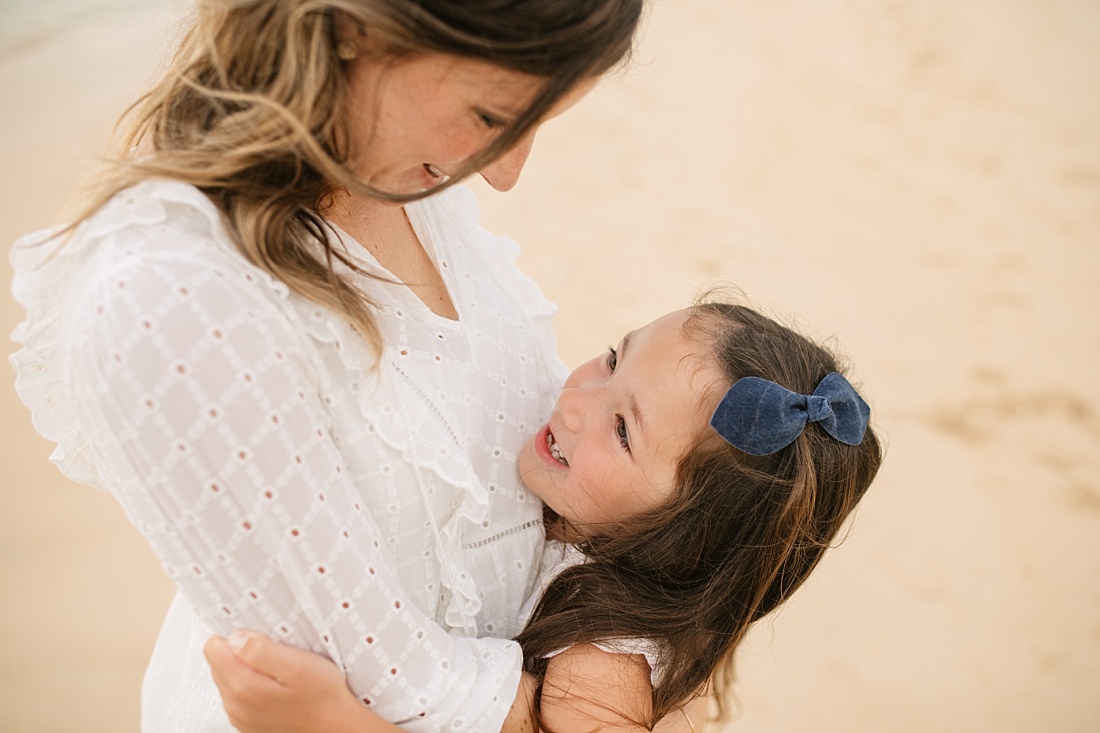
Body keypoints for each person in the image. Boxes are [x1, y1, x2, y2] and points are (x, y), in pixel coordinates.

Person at [9, 2, 645, 731]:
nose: (504, 173)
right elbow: (385, 684)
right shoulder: (166, 292)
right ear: (354, 25)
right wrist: (614, 706)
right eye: (492, 115)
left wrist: (627, 646)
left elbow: (575, 500)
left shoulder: (403, 179)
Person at [202, 300, 884, 733]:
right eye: (615, 358)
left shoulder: (603, 657)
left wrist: (328, 722)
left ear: (683, 531)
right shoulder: (648, 577)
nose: (579, 397)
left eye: (622, 429)